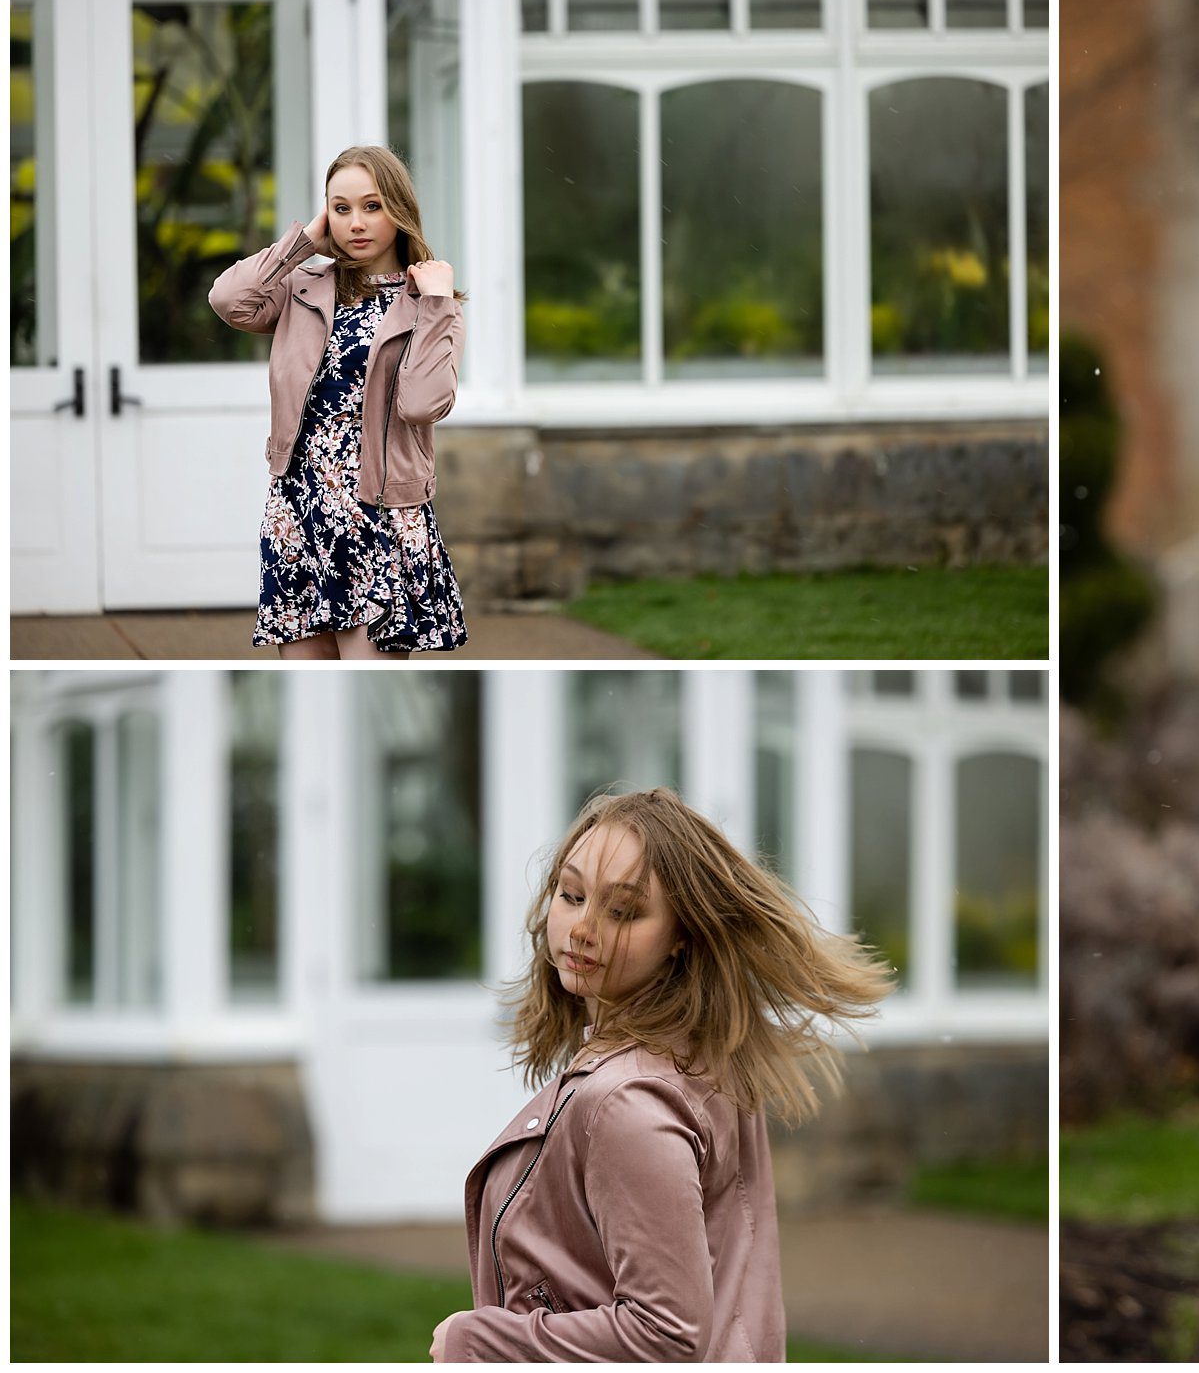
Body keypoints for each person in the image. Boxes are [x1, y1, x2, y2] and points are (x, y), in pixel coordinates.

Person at [430, 787, 896, 1362]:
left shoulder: (625, 1101)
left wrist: (476, 1341)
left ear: (680, 936)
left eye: (622, 910)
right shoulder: (704, 1059)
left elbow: (667, 1333)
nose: (582, 927)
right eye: (571, 894)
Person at [208, 144, 468, 659]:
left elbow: (420, 403)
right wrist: (302, 243)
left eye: (372, 206)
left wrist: (435, 302)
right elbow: (227, 300)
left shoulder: (432, 306)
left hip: (381, 513)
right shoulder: (303, 287)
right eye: (341, 208)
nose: (356, 223)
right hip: (298, 509)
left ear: (399, 208)